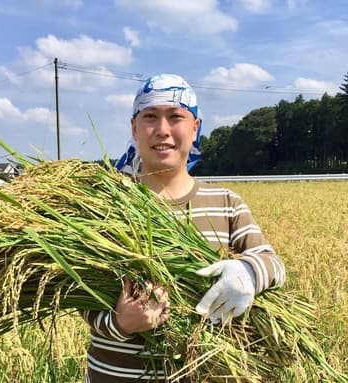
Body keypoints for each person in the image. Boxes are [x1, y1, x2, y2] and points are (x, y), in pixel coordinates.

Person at [81, 73, 286, 382]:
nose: (162, 130)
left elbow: (275, 265)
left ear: (195, 128)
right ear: (135, 128)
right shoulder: (107, 205)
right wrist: (122, 323)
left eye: (175, 117)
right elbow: (76, 291)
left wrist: (248, 274)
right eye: (150, 117)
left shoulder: (226, 202)